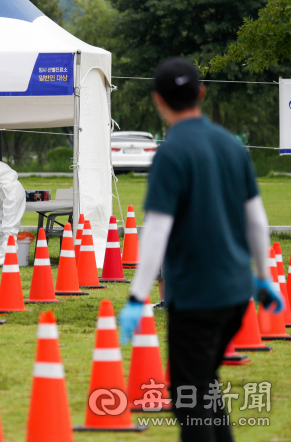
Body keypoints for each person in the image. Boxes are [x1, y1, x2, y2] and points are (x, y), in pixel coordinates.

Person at [117, 58, 284, 442]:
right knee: (203, 385)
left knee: (189, 397)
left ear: (158, 100)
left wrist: (137, 296)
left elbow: (156, 231)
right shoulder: (232, 147)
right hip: (236, 295)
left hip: (196, 297)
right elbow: (257, 221)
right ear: (202, 93)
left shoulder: (171, 153)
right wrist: (263, 278)